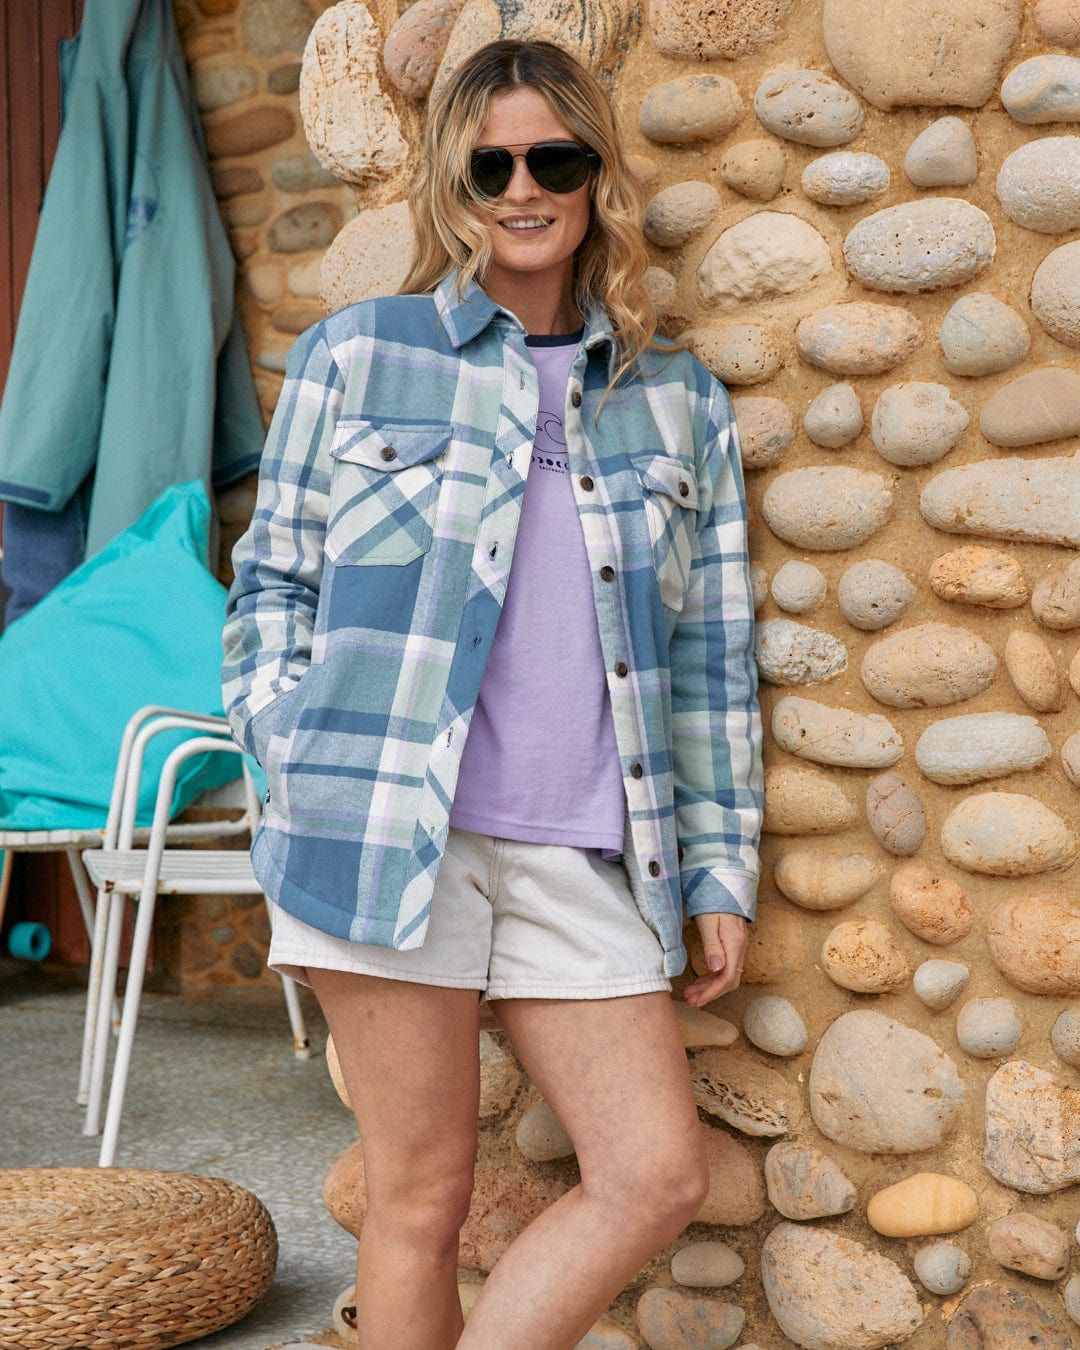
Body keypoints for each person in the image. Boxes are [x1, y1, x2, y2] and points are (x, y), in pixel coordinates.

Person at [222, 38, 762, 1350]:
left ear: (594, 176)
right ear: (452, 179)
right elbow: (271, 585)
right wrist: (286, 762)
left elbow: (710, 654)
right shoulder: (360, 357)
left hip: (587, 842)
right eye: (491, 161)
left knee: (654, 1172)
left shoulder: (677, 400)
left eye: (554, 158)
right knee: (419, 1195)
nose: (524, 188)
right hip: (379, 824)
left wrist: (717, 868)